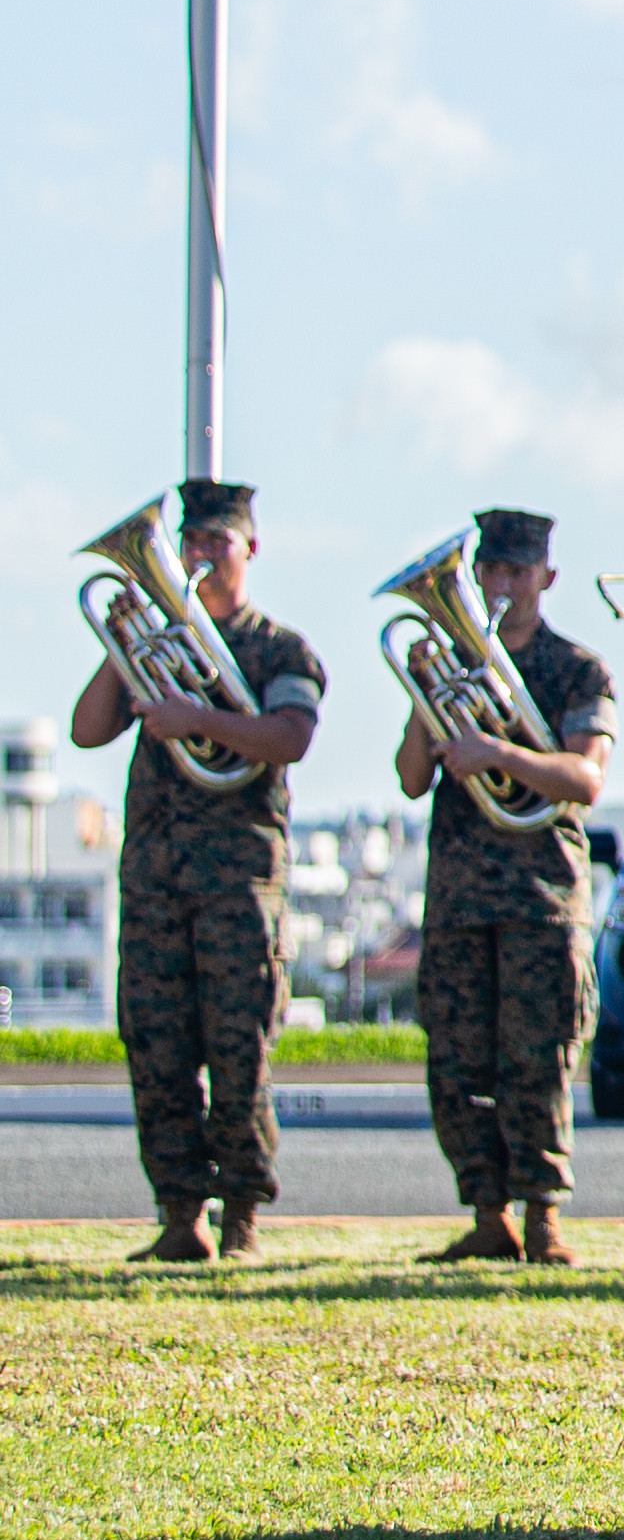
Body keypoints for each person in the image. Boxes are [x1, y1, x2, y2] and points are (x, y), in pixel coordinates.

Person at [74, 480, 323, 1263]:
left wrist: (197, 720)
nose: (204, 556)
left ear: (250, 549)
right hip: (154, 880)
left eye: (220, 542)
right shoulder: (155, 638)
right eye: (193, 543)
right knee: (158, 1051)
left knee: (239, 1052)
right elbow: (87, 731)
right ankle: (180, 1216)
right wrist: (120, 646)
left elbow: (288, 736)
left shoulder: (281, 648)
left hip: (239, 882)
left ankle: (242, 1215)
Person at [399, 508, 617, 1266]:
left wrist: (497, 749)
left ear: (545, 578)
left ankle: (543, 1216)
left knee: (539, 1062)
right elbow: (411, 777)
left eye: (516, 571)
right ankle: (487, 1213)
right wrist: (426, 695)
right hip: (459, 896)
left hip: (541, 897)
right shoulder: (454, 663)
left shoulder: (577, 669)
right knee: (457, 1062)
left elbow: (585, 777)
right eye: (489, 570)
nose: (500, 585)